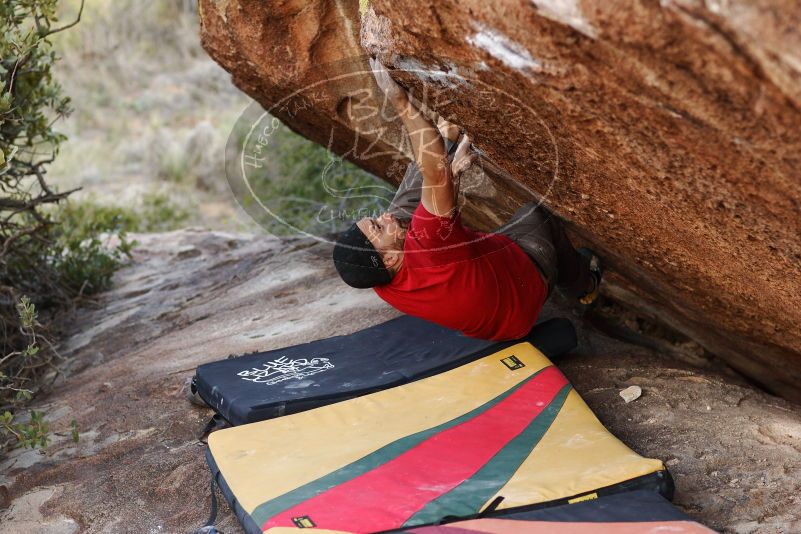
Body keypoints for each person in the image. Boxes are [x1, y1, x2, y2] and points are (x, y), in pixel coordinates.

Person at [332, 58, 601, 341]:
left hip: (486, 324)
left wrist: (449, 174)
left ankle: (448, 138)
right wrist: (398, 99)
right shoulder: (429, 245)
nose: (382, 218)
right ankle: (585, 287)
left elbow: (426, 190)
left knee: (401, 213)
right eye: (376, 227)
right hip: (520, 299)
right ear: (388, 258)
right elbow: (434, 176)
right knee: (535, 215)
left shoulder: (378, 277)